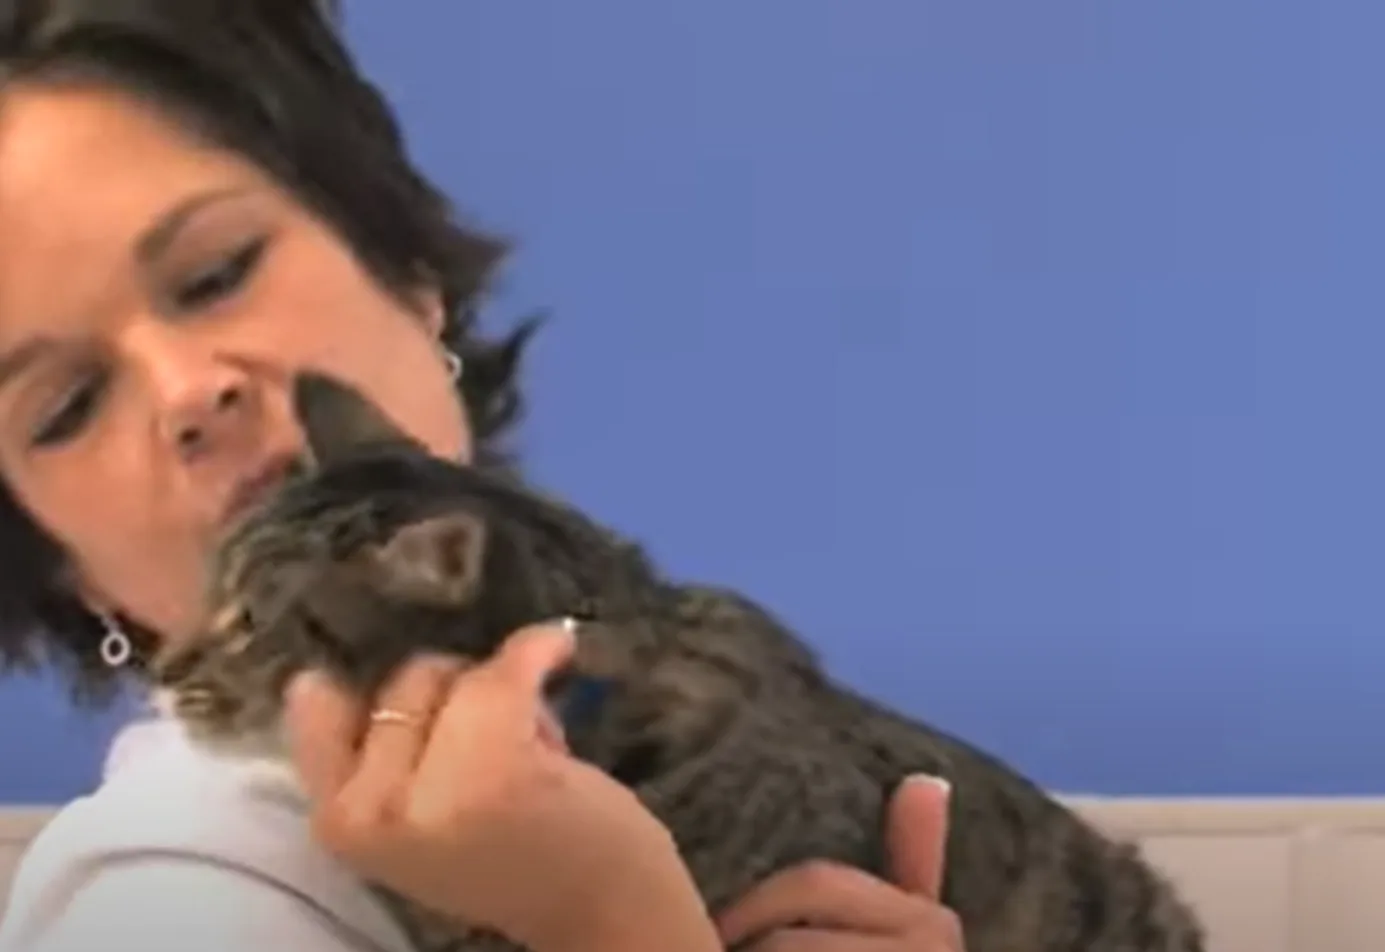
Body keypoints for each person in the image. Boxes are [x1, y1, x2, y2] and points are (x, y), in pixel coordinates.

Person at [0, 3, 965, 952]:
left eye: (216, 274)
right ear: (63, 565)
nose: (188, 395)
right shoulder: (167, 899)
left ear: (408, 276)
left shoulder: (665, 686)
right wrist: (610, 920)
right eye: (66, 407)